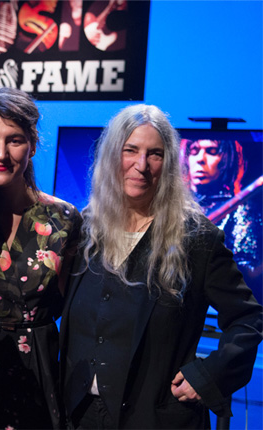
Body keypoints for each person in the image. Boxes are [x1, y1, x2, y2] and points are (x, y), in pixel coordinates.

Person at [59, 104, 263, 428]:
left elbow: (248, 317)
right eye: (130, 150)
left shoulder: (197, 240)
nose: (141, 165)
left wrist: (209, 375)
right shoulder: (84, 230)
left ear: (168, 165)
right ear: (112, 155)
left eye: (154, 154)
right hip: (78, 417)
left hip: (154, 419)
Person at [0, 87, 81, 429]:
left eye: (14, 140)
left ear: (32, 143)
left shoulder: (64, 219)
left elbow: (77, 312)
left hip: (38, 380)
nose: (0, 153)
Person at [181, 138, 262, 301]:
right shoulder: (176, 205)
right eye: (194, 151)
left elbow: (247, 271)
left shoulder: (241, 208)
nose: (200, 159)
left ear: (227, 159)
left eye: (211, 151)